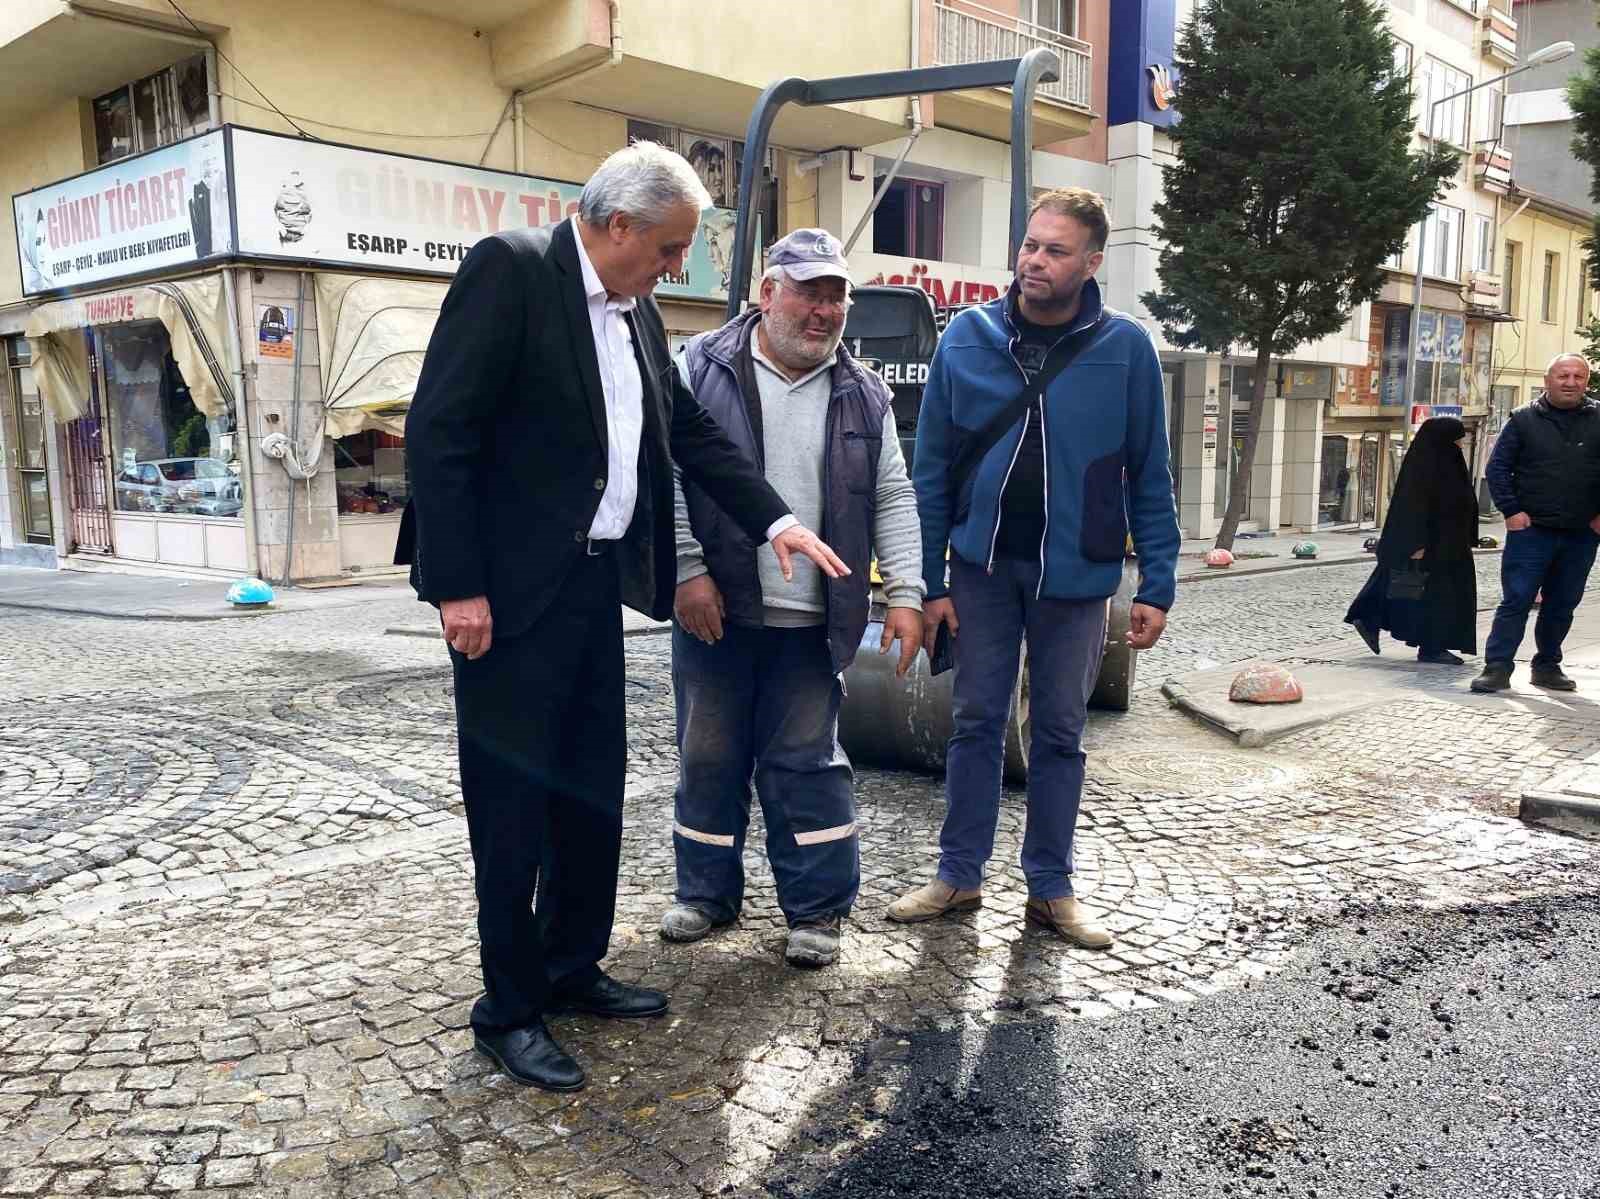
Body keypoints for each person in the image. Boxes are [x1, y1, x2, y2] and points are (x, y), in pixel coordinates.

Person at [399, 142, 847, 1092]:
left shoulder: (637, 313)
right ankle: (509, 1008)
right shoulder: (511, 272)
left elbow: (689, 435)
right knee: (512, 809)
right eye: (672, 245)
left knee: (589, 793)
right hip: (508, 602)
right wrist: (457, 585)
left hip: (595, 589)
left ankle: (570, 965)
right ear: (617, 226)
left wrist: (778, 519)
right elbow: (443, 432)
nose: (676, 266)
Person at [887, 188, 1180, 947]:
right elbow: (931, 473)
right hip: (981, 571)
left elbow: (1150, 471)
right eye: (1028, 245)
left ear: (1090, 262)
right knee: (976, 722)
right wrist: (931, 582)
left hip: (1078, 576)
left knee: (1058, 733)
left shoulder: (1128, 349)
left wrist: (1158, 581)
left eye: (1054, 250)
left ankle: (1051, 889)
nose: (1034, 261)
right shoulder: (967, 339)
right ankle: (959, 874)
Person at [659, 229, 925, 968]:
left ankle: (816, 909)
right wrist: (686, 571)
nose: (824, 310)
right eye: (809, 292)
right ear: (767, 291)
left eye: (836, 295)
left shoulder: (864, 392)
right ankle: (706, 892)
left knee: (806, 761)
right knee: (707, 753)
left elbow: (894, 498)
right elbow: (671, 474)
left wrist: (905, 592)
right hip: (717, 609)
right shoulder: (699, 367)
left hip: (814, 619)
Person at [1473, 353, 1600, 693]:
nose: (1570, 382)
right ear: (1547, 381)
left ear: (1586, 381)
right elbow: (1497, 469)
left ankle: (1547, 666)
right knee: (1516, 600)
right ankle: (1497, 667)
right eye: (1563, 376)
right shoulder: (1523, 419)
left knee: (1563, 603)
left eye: (1578, 376)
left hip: (1581, 533)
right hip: (1532, 531)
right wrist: (1511, 511)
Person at [1345, 416, 1478, 664]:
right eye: (1457, 440)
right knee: (1433, 597)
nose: (1460, 445)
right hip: (1433, 547)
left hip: (1449, 546)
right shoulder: (1426, 467)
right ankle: (1431, 647)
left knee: (1405, 588)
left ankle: (1367, 617)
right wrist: (1416, 544)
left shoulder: (1446, 461)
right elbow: (1412, 508)